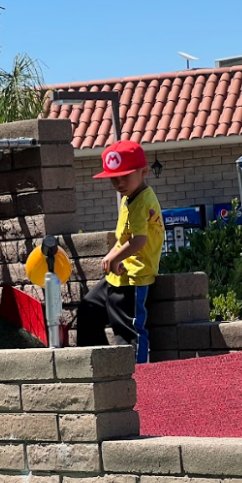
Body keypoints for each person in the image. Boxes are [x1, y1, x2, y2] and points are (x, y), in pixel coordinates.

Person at [76, 140, 164, 363]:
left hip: (135, 277)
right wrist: (112, 256)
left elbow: (139, 240)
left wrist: (114, 257)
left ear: (144, 171)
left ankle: (137, 374)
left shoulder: (143, 201)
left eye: (125, 176)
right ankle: (100, 367)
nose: (119, 183)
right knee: (88, 309)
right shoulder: (129, 199)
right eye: (113, 178)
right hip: (120, 274)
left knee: (129, 330)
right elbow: (123, 238)